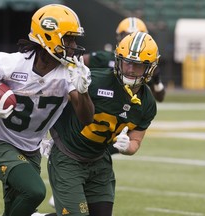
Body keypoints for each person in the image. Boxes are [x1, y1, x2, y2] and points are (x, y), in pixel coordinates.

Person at [0, 4, 94, 216]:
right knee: (35, 191)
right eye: (68, 39)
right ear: (49, 37)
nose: (73, 46)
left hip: (30, 150)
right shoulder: (14, 64)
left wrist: (83, 91)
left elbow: (86, 118)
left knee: (17, 209)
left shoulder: (69, 74)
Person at [39, 31, 159, 216]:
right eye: (126, 61)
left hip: (99, 160)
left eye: (138, 65)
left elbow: (136, 142)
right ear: (118, 60)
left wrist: (126, 147)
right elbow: (52, 94)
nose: (130, 69)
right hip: (68, 156)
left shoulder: (147, 102)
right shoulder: (95, 80)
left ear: (150, 68)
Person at [83, 17, 165, 103]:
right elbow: (80, 61)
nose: (133, 41)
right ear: (119, 38)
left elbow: (160, 98)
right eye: (127, 35)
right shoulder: (106, 57)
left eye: (137, 35)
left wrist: (157, 80)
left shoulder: (144, 64)